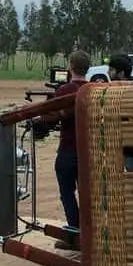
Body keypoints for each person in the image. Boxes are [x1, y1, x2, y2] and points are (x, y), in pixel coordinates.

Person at [41, 49, 90, 248]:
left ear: (70, 66)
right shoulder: (93, 89)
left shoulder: (64, 91)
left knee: (67, 193)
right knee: (88, 193)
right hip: (88, 151)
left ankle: (75, 232)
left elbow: (48, 115)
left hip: (69, 149)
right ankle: (89, 232)